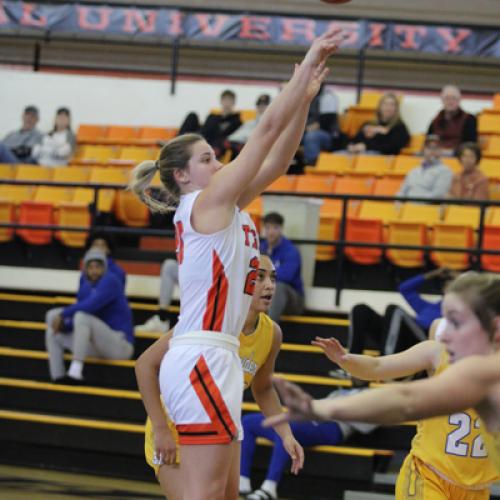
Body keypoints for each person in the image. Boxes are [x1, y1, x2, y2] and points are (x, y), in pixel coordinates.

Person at [129, 28, 342, 500]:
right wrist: (307, 63)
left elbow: (279, 162)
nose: (218, 162)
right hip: (200, 354)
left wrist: (304, 100)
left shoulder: (226, 206)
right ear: (183, 177)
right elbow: (264, 133)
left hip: (219, 356)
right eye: (207, 158)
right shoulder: (203, 204)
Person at [264, 272, 500, 476]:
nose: (443, 333)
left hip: (475, 485)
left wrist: (321, 409)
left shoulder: (485, 372)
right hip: (430, 476)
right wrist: (326, 401)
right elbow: (400, 395)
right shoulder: (449, 358)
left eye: (456, 323)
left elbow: (405, 400)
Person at [138, 255, 304, 499]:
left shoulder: (272, 333)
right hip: (176, 425)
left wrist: (286, 434)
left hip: (224, 425)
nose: (269, 285)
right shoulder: (207, 320)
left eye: (272, 278)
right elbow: (144, 365)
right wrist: (161, 429)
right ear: (240, 282)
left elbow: (264, 389)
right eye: (259, 277)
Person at [310, 331, 499, 499]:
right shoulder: (439, 352)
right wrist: (346, 360)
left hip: (476, 488)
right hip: (428, 475)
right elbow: (377, 366)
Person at [241, 387, 377, 500]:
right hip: (307, 418)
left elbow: (368, 425)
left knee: (288, 429)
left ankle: (269, 487)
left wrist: (336, 410)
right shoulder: (340, 391)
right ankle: (242, 482)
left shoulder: (373, 397)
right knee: (248, 422)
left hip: (333, 427)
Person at [45, 249, 134, 383]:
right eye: (90, 267)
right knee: (52, 327)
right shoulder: (86, 287)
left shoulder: (111, 281)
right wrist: (64, 325)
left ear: (104, 268)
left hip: (120, 345)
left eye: (97, 267)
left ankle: (75, 371)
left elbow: (89, 307)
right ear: (85, 269)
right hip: (99, 344)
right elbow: (81, 320)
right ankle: (57, 377)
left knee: (80, 315)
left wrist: (63, 315)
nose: (94, 271)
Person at [347, 268, 452, 359]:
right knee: (360, 310)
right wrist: (434, 273)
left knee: (394, 309)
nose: (449, 287)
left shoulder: (458, 310)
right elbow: (404, 288)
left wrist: (458, 275)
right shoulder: (427, 306)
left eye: (455, 284)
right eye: (447, 284)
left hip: (421, 341)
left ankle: (385, 361)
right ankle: (351, 362)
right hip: (399, 337)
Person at [260, 212, 304, 322]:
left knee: (278, 287)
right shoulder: (260, 248)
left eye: (275, 228)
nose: (271, 232)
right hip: (267, 294)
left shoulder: (291, 250)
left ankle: (269, 331)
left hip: (293, 300)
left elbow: (287, 276)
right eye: (268, 227)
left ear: (281, 229)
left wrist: (262, 275)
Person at [397, 134, 453, 200]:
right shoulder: (413, 171)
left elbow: (438, 195)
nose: (432, 151)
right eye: (429, 148)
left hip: (427, 208)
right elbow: (402, 192)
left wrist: (416, 202)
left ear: (440, 151)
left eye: (435, 148)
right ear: (423, 150)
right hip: (408, 207)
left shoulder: (445, 171)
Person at [427, 85, 478, 155]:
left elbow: (470, 145)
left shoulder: (469, 120)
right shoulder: (435, 121)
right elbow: (428, 142)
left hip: (458, 156)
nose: (450, 102)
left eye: (453, 98)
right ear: (442, 101)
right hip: (436, 156)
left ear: (459, 100)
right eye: (447, 98)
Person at [302, 83, 340, 165]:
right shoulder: (302, 98)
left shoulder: (327, 97)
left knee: (312, 136)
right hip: (304, 130)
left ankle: (312, 164)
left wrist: (308, 128)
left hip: (327, 134)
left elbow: (327, 121)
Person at [227, 94, 271, 159]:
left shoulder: (273, 125)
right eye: (259, 105)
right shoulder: (249, 123)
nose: (261, 107)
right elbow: (233, 137)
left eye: (264, 105)